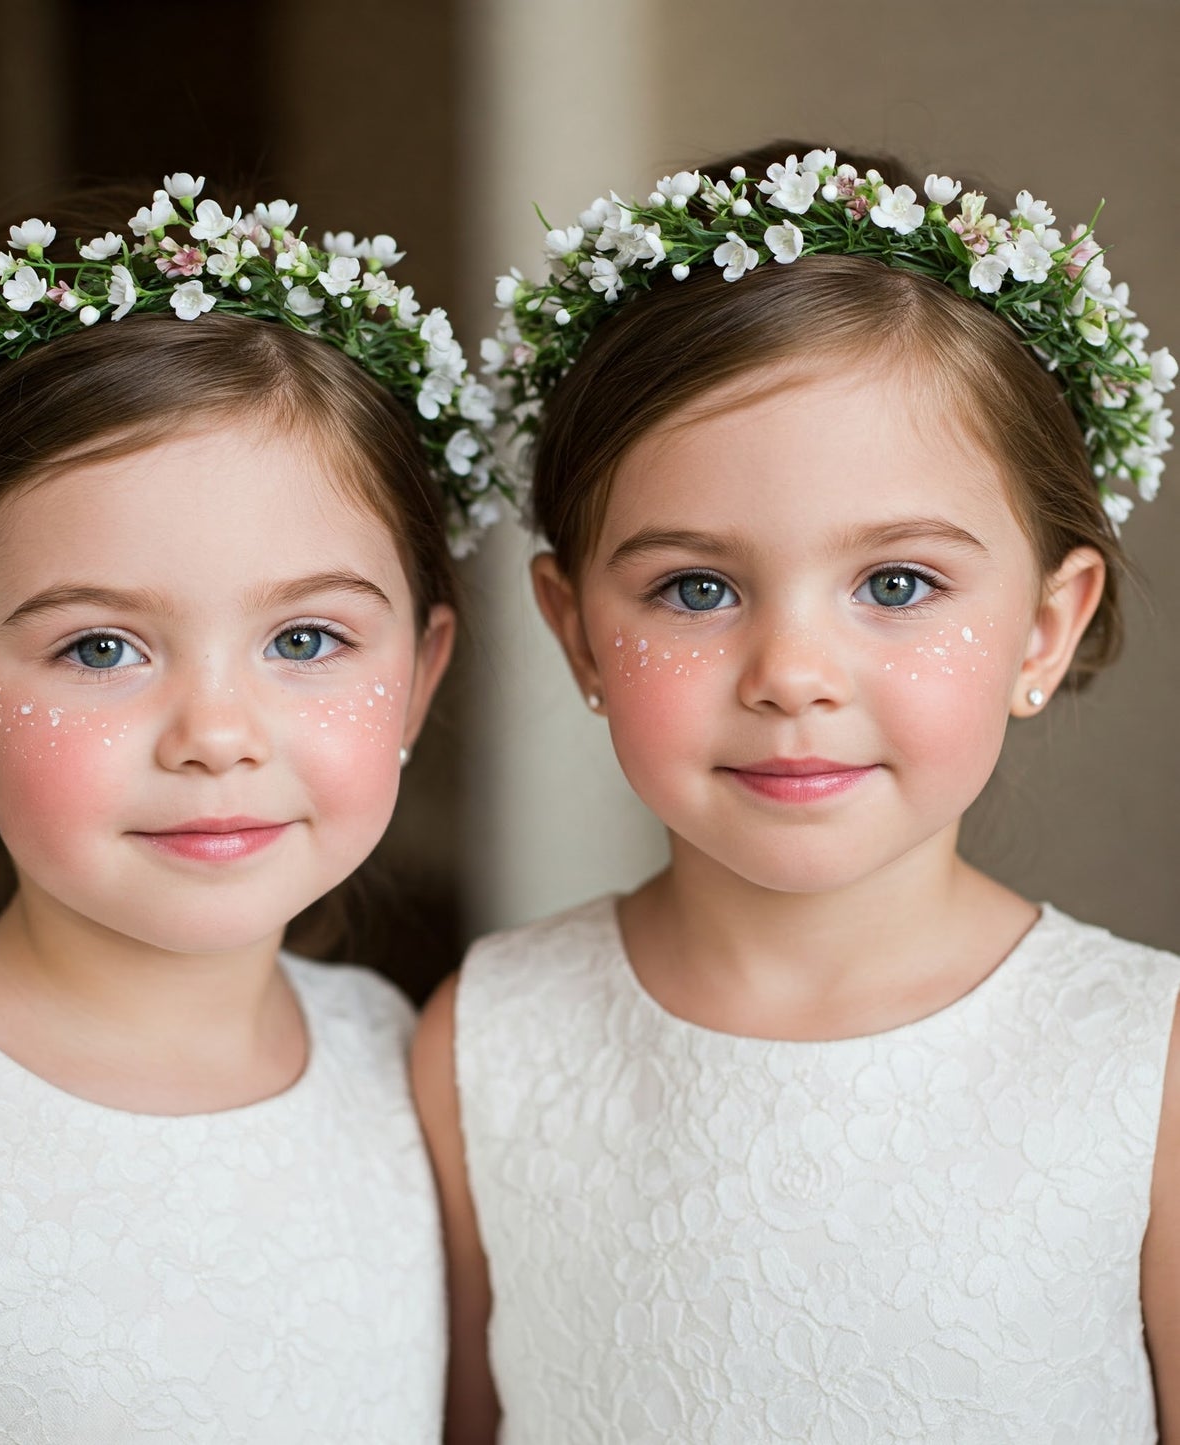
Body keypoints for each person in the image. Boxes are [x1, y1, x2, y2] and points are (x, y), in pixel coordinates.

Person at [413, 144, 1180, 1442]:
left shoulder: (1147, 1067)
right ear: (578, 632)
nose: (791, 675)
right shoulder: (487, 1042)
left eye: (896, 584)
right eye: (694, 589)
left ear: (1045, 629)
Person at [0, 173, 509, 1443]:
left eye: (306, 636)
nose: (215, 733)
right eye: (100, 649)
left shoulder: (403, 1060)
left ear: (416, 676)